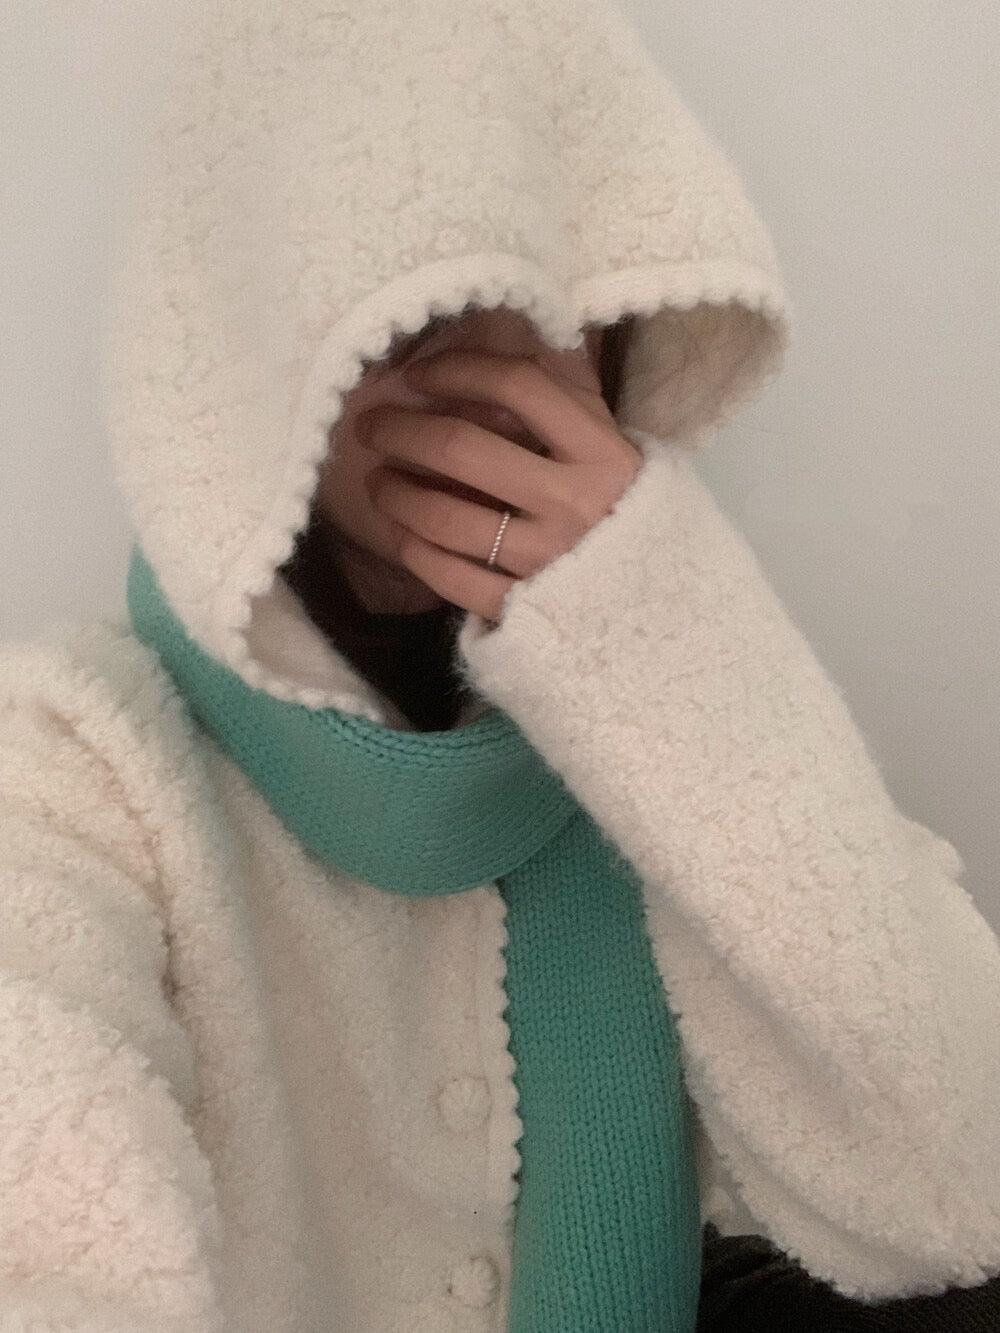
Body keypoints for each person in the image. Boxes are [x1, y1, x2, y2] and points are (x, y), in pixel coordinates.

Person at [1, 0, 998, 1330]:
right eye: (398, 309)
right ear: (242, 361)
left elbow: (955, 1191)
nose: (483, 369)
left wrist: (660, 636)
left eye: (540, 293)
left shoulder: (682, 748)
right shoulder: (71, 767)